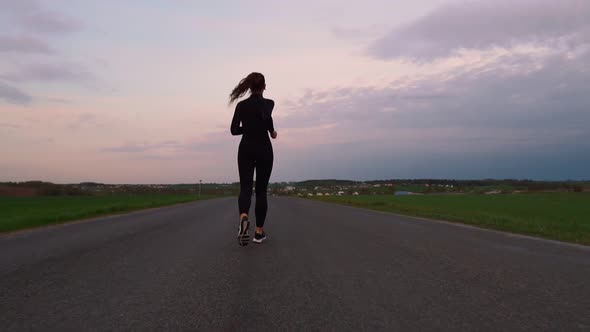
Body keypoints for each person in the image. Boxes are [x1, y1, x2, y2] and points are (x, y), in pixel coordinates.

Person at [229, 72, 277, 246]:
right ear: (264, 86)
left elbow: (234, 130)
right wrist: (272, 132)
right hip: (264, 149)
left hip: (246, 149)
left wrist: (248, 128)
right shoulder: (269, 104)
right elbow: (267, 120)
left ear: (249, 87)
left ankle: (243, 217)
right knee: (261, 191)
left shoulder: (241, 106)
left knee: (246, 188)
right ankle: (258, 233)